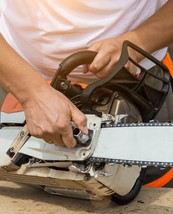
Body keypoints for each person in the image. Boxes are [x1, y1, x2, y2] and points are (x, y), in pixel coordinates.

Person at [0, 0, 173, 149]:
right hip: (15, 78)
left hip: (137, 83)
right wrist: (31, 93)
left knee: (143, 177)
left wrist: (136, 44)